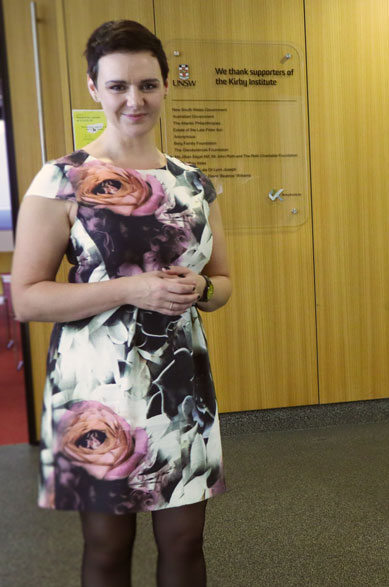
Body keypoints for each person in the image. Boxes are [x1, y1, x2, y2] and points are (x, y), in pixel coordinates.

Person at [11, 20, 231, 586]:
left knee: (186, 542)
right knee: (108, 547)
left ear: (164, 87)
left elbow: (224, 282)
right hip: (94, 392)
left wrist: (200, 290)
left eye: (148, 84)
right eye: (118, 86)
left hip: (178, 385)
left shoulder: (193, 182)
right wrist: (133, 289)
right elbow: (29, 299)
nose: (135, 100)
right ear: (93, 88)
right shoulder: (62, 180)